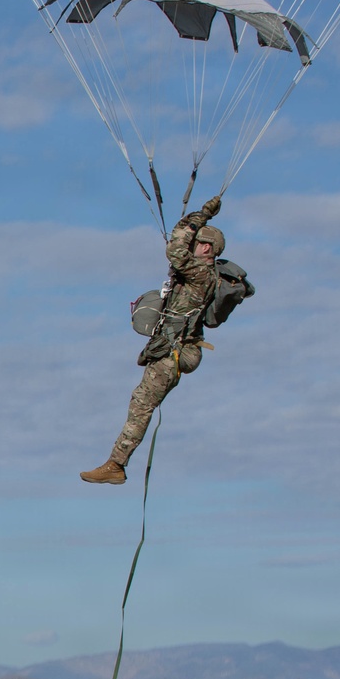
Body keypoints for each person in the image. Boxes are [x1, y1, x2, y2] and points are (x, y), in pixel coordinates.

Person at [81, 195, 225, 485]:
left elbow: (175, 248)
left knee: (141, 404)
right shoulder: (201, 275)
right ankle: (116, 464)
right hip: (176, 349)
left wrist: (199, 216)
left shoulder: (200, 273)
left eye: (196, 242)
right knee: (141, 402)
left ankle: (116, 465)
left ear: (205, 247)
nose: (191, 245)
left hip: (174, 351)